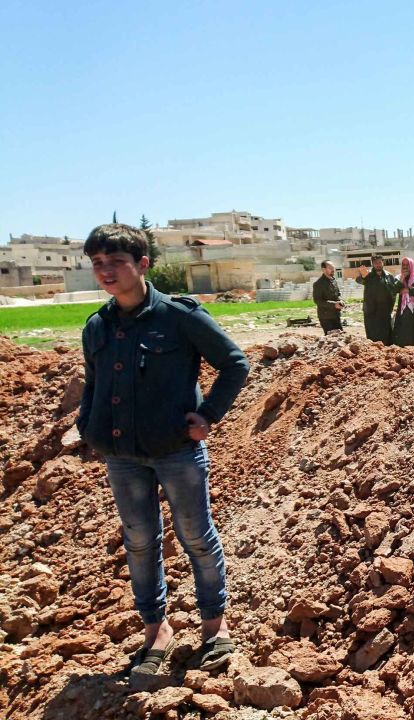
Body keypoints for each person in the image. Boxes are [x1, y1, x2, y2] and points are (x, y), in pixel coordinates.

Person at [76, 224, 249, 683]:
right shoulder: (98, 326)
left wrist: (208, 414)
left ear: (143, 264)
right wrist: (87, 425)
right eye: (98, 264)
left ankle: (215, 624)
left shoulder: (179, 317)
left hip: (176, 452)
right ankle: (156, 630)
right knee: (138, 542)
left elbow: (234, 363)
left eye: (116, 262)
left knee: (196, 535)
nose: (106, 272)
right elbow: (94, 383)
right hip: (123, 456)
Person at [356, 254, 396, 343]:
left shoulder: (389, 276)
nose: (378, 264)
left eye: (379, 262)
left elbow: (393, 292)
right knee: (373, 336)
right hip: (371, 312)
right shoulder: (368, 275)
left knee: (386, 334)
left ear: (383, 263)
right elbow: (359, 280)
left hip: (385, 311)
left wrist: (391, 306)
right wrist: (363, 276)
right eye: (375, 263)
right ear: (372, 264)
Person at [390, 256, 414, 346]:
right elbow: (393, 290)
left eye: (407, 265)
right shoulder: (399, 277)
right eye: (403, 265)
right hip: (403, 310)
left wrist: (408, 290)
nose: (405, 267)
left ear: (411, 265)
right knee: (402, 328)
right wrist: (401, 280)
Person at [312, 261, 343, 334]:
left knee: (341, 337)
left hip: (336, 315)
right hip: (326, 317)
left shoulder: (333, 280)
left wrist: (341, 301)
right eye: (330, 268)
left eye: (333, 267)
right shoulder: (318, 284)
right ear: (323, 269)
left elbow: (338, 294)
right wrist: (334, 304)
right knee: (331, 339)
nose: (333, 269)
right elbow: (318, 301)